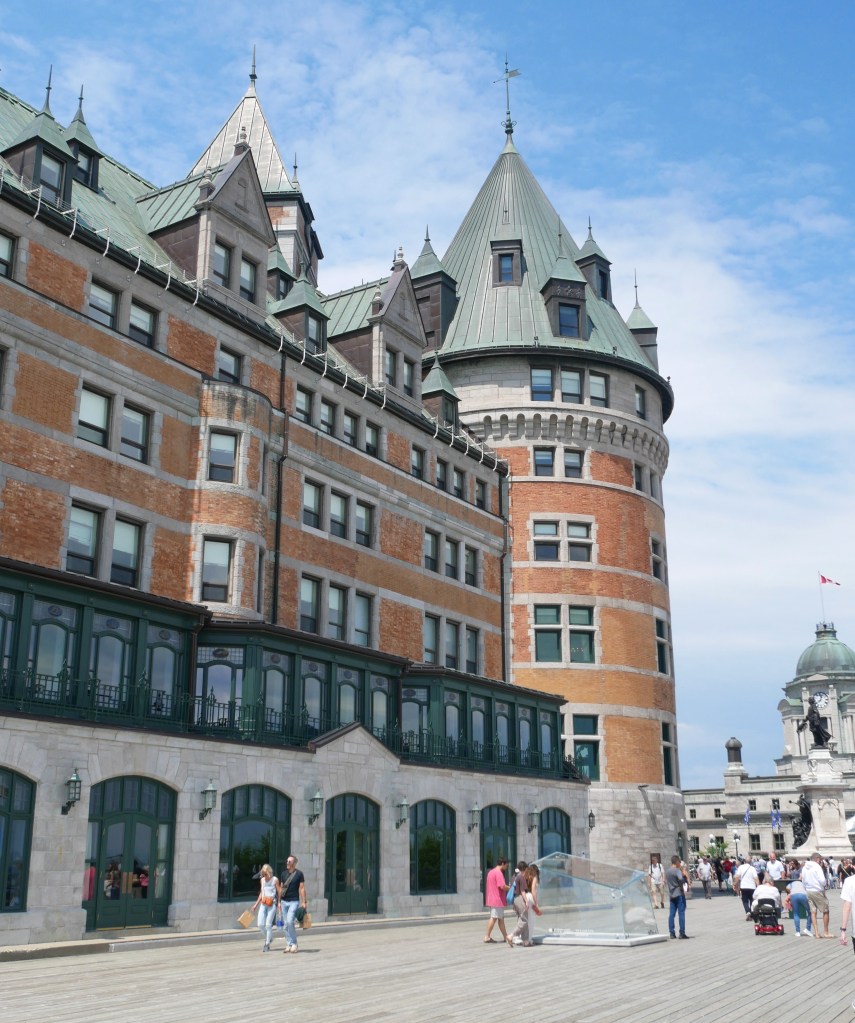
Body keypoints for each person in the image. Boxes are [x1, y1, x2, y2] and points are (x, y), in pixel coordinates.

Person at [279, 854, 307, 953]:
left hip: (294, 901)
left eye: (289, 862)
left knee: (290, 921)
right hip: (284, 901)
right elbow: (281, 888)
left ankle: (294, 943)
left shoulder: (299, 874)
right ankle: (289, 944)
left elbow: (302, 888)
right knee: (286, 924)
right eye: (287, 861)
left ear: (294, 863)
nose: (287, 863)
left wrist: (304, 902)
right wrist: (279, 902)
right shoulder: (283, 874)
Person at [801, 851, 832, 938]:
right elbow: (822, 880)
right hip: (817, 890)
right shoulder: (817, 867)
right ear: (817, 859)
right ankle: (826, 932)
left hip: (809, 891)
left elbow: (803, 880)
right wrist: (824, 885)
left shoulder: (804, 867)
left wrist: (807, 888)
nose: (821, 862)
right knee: (825, 910)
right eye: (820, 860)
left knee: (813, 912)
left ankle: (817, 933)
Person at [251, 863, 279, 952]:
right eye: (263, 875)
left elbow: (279, 891)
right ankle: (269, 937)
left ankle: (267, 944)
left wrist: (279, 903)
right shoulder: (262, 880)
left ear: (269, 872)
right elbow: (261, 893)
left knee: (268, 924)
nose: (264, 876)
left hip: (272, 903)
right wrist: (256, 904)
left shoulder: (274, 880)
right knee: (260, 924)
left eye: (265, 874)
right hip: (263, 903)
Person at [483, 857, 510, 944]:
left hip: (492, 898)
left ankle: (506, 937)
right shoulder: (498, 873)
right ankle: (487, 936)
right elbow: (502, 886)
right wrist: (511, 888)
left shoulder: (491, 872)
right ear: (502, 864)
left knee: (500, 919)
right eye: (506, 865)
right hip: (497, 899)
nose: (506, 867)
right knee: (494, 917)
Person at [666, 854, 690, 939]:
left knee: (671, 914)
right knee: (681, 913)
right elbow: (680, 879)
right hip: (679, 894)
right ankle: (682, 933)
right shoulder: (677, 870)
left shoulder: (667, 871)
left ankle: (672, 933)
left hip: (672, 895)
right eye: (679, 862)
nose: (680, 863)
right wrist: (683, 882)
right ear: (676, 862)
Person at [506, 860, 529, 947]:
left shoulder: (513, 876)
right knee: (524, 920)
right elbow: (522, 891)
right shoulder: (521, 877)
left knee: (522, 918)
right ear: (524, 869)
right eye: (526, 869)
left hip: (515, 900)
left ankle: (525, 940)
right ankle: (511, 935)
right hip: (520, 898)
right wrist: (526, 901)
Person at [786, 866, 812, 937]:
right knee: (810, 912)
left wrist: (790, 893)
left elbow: (787, 889)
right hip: (803, 895)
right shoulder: (803, 883)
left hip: (794, 896)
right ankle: (808, 928)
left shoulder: (791, 883)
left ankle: (797, 932)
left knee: (796, 913)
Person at [522, 863, 541, 945]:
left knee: (524, 919)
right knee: (531, 920)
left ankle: (523, 938)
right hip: (530, 897)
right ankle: (528, 940)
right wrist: (536, 903)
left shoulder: (525, 876)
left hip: (523, 897)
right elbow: (533, 890)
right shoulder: (534, 877)